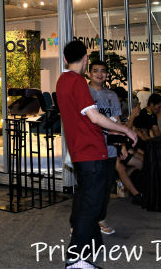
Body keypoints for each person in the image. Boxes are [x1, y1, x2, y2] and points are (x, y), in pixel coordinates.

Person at [56, 41, 137, 269]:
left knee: (86, 201)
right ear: (85, 59)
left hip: (81, 152)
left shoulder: (62, 80)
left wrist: (116, 130)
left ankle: (92, 244)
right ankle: (75, 259)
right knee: (90, 206)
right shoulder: (77, 81)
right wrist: (125, 129)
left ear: (65, 59)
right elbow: (94, 117)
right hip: (91, 151)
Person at [86, 61, 122, 236]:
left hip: (110, 148)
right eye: (95, 71)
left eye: (103, 71)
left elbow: (117, 121)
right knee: (90, 186)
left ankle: (100, 218)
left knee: (106, 185)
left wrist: (121, 144)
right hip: (90, 147)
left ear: (107, 75)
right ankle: (83, 221)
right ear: (89, 73)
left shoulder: (112, 95)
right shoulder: (84, 93)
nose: (99, 74)